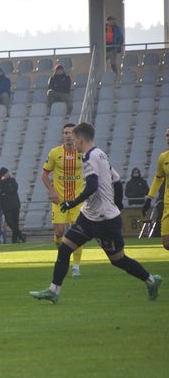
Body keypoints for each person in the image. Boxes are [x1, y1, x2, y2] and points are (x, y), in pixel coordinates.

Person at [30, 122, 162, 303]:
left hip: (105, 220)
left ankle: (150, 281)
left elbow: (92, 186)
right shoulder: (101, 155)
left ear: (80, 139)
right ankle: (54, 291)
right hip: (88, 217)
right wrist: (116, 204)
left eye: (74, 139)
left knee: (118, 259)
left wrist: (72, 202)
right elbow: (116, 181)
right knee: (64, 249)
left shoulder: (89, 158)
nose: (72, 143)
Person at [41, 123, 85, 276]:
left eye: (71, 133)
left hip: (78, 201)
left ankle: (76, 267)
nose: (68, 135)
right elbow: (44, 174)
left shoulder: (83, 153)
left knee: (77, 232)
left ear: (76, 135)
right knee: (59, 231)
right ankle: (63, 255)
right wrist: (52, 191)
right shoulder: (55, 153)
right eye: (65, 133)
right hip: (59, 201)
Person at [142, 128, 169, 250]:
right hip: (168, 204)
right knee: (166, 243)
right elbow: (158, 178)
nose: (167, 137)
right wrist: (149, 198)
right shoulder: (163, 158)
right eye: (167, 135)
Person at [0, 167, 26, 243]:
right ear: (3, 174)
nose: (8, 174)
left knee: (15, 223)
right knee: (9, 222)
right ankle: (21, 235)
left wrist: (4, 191)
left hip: (15, 205)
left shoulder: (12, 180)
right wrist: (2, 180)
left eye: (8, 173)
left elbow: (14, 189)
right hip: (6, 206)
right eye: (6, 173)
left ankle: (15, 240)